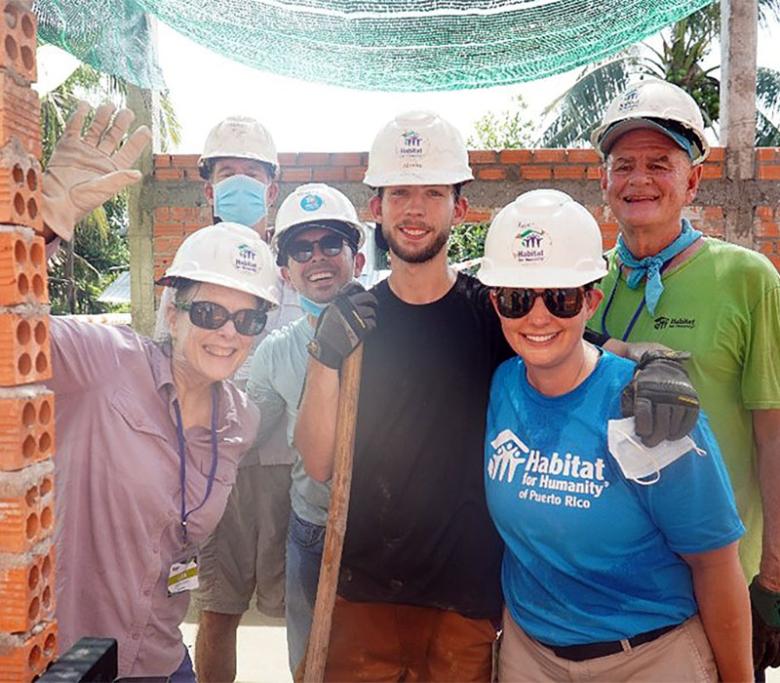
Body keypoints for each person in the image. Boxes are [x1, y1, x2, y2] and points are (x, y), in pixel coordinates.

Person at [294, 111, 700, 681]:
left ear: (460, 208)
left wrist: (651, 364)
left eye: (433, 192)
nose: (415, 210)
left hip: (468, 596)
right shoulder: (355, 323)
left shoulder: (498, 310)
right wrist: (322, 356)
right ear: (375, 208)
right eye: (400, 193)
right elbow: (317, 463)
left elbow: (588, 345)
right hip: (364, 590)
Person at [41, 103, 281, 680]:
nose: (227, 332)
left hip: (163, 655)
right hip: (74, 659)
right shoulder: (103, 365)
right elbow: (8, 328)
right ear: (172, 312)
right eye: (207, 311)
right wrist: (42, 224)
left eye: (247, 321)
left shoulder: (239, 422)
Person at [479, 189, 751, 682]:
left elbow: (715, 564)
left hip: (647, 658)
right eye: (517, 298)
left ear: (590, 300)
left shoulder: (647, 411)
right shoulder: (501, 389)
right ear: (495, 303)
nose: (537, 317)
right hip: (530, 656)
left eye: (560, 298)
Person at [589, 78, 780, 677]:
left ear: (692, 180)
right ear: (604, 182)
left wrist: (772, 574)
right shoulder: (578, 287)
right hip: (610, 587)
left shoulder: (748, 279)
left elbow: (773, 433)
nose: (639, 180)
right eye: (624, 165)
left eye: (659, 163)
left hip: (719, 577)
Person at [193, 116, 302, 683]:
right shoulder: (188, 269)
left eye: (252, 175)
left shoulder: (294, 267)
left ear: (272, 190)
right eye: (226, 173)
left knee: (300, 613)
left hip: (290, 466)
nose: (239, 184)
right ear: (208, 190)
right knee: (218, 608)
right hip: (218, 468)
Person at [246, 183, 368, 673]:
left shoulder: (395, 329)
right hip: (312, 531)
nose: (318, 258)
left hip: (381, 534)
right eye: (302, 249)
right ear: (285, 273)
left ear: (356, 259)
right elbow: (244, 435)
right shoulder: (275, 353)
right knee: (309, 663)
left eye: (331, 244)